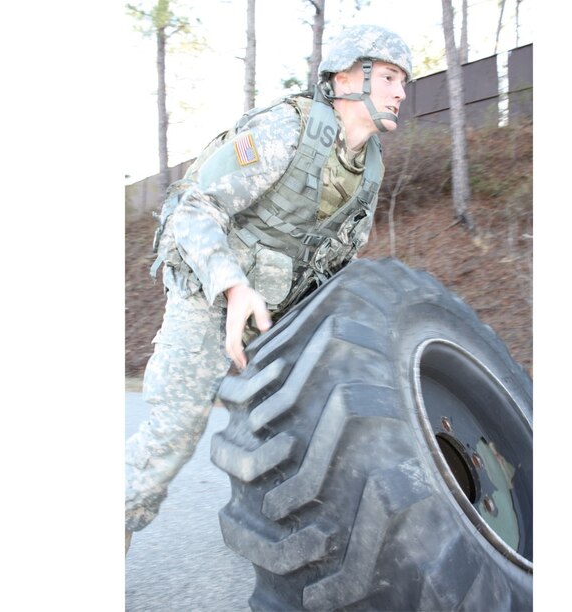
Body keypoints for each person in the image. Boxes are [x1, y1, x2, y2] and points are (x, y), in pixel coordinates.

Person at [125, 24, 412, 552]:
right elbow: (192, 207)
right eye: (390, 76)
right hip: (210, 299)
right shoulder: (288, 131)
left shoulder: (367, 170)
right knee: (167, 443)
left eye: (403, 81)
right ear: (347, 77)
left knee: (307, 437)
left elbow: (333, 265)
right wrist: (232, 286)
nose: (400, 91)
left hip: (274, 318)